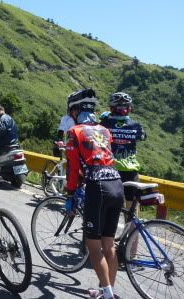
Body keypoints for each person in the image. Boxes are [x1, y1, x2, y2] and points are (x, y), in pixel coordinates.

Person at [64, 88, 123, 299]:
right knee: (109, 245)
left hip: (97, 187)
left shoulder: (74, 132)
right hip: (116, 184)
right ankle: (108, 290)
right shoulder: (105, 131)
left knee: (94, 247)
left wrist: (70, 194)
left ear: (75, 112)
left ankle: (107, 295)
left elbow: (73, 169)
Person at [99, 92, 147, 206]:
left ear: (112, 108)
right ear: (129, 109)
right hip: (130, 170)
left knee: (108, 203)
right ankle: (131, 218)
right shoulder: (136, 125)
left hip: (109, 168)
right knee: (131, 203)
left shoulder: (104, 123)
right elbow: (143, 136)